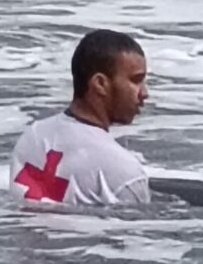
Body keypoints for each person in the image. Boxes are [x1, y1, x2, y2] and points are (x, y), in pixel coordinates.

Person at [9, 29, 151, 207]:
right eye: (136, 80)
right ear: (100, 84)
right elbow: (134, 233)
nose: (144, 93)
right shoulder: (124, 172)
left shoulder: (33, 136)